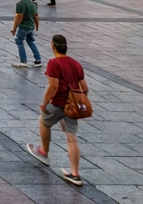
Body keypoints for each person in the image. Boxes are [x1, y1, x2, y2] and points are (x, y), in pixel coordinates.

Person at [26, 34, 88, 187]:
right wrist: (78, 101)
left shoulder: (54, 63)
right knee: (72, 138)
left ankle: (44, 152)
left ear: (52, 46)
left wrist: (44, 103)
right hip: (72, 105)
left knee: (44, 122)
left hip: (58, 103)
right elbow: (85, 88)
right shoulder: (76, 64)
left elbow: (53, 86)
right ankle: (75, 174)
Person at [10, 0, 43, 68]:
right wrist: (37, 25)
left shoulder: (20, 4)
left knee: (19, 41)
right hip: (30, 26)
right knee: (30, 41)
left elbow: (18, 17)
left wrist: (14, 29)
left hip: (23, 27)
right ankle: (38, 59)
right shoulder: (32, 4)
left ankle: (23, 61)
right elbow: (36, 16)